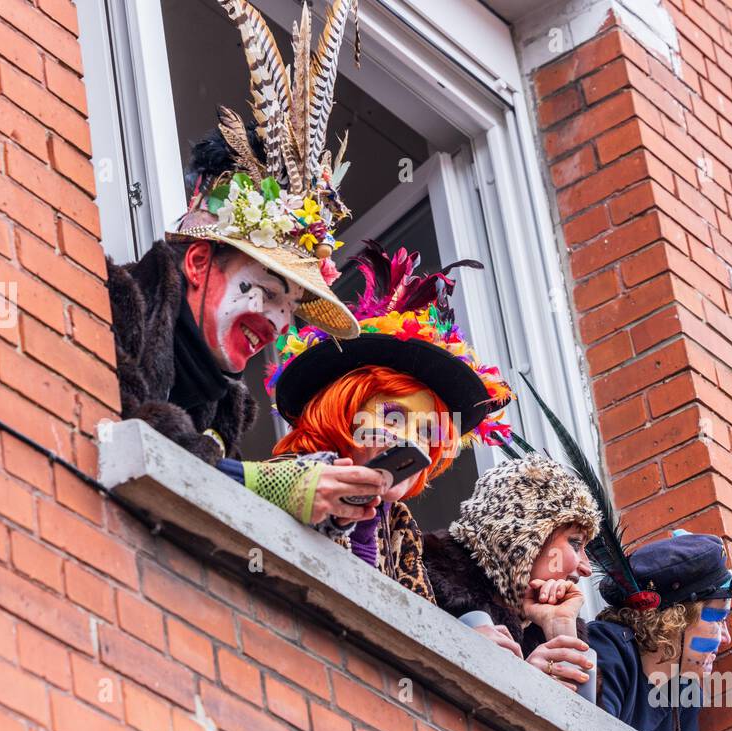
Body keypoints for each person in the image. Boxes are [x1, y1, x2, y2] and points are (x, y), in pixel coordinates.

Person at [105, 0, 382, 524]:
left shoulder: (227, 407)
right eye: (270, 291)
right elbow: (139, 436)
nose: (279, 322)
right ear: (198, 262)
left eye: (291, 306)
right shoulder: (122, 306)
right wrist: (280, 485)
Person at [265, 242, 513, 600]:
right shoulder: (286, 481)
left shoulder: (399, 525)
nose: (411, 441)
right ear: (343, 412)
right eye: (394, 417)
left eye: (428, 431)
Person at [587, 530, 732, 731]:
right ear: (675, 621)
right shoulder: (607, 646)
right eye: (717, 620)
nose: (726, 638)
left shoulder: (683, 692)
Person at [424, 455, 602, 691]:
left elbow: (583, 724)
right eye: (576, 544)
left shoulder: (543, 627)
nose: (586, 567)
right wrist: (524, 681)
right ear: (525, 539)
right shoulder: (427, 582)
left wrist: (561, 627)